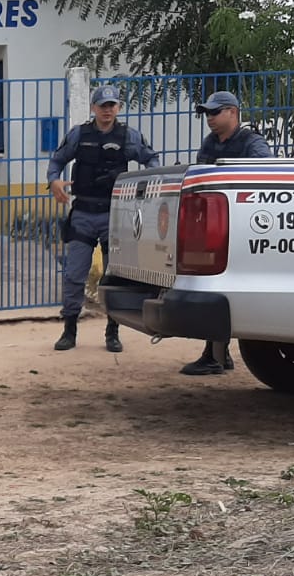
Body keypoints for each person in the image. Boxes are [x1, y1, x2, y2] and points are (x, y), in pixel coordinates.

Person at [46, 84, 160, 353]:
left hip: (114, 214)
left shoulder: (128, 136)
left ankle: (113, 331)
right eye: (102, 106)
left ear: (118, 108)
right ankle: (69, 329)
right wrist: (54, 181)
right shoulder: (79, 134)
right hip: (83, 213)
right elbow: (57, 160)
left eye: (112, 105)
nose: (107, 110)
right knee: (74, 274)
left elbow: (151, 160)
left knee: (114, 276)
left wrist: (145, 188)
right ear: (93, 108)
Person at [179, 90, 273, 376]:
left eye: (215, 112)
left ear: (233, 112)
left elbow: (266, 176)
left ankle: (216, 355)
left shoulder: (251, 142)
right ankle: (218, 354)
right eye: (207, 113)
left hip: (243, 227)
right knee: (213, 287)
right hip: (216, 227)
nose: (209, 118)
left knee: (222, 288)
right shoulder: (210, 143)